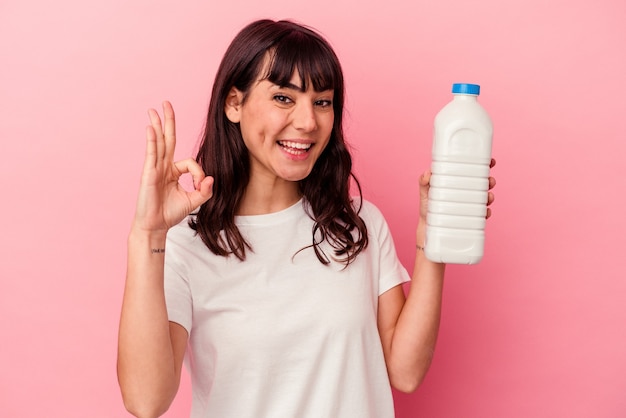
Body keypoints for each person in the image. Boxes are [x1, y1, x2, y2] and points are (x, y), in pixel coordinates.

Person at [117, 19, 496, 418]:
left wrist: (433, 233)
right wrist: (148, 234)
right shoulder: (184, 243)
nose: (308, 122)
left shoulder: (356, 225)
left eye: (322, 101)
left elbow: (405, 372)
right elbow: (146, 400)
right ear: (233, 103)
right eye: (284, 98)